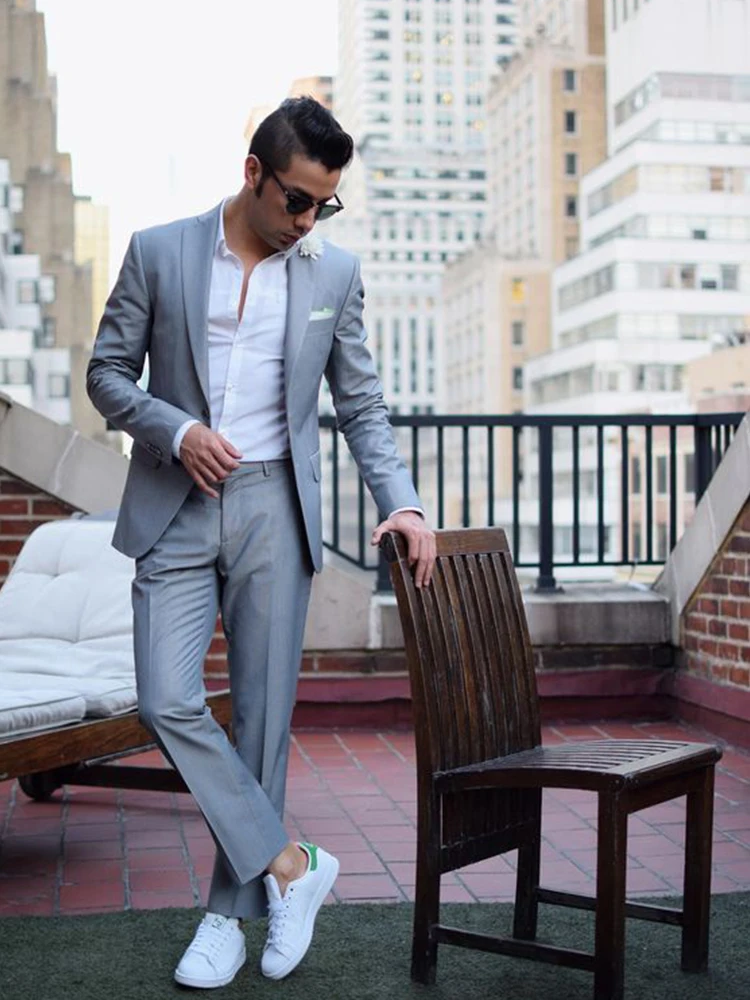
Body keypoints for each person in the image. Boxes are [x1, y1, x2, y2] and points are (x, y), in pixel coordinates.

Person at [87, 97, 436, 989]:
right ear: (254, 174)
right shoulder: (159, 251)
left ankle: (227, 920)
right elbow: (107, 374)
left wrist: (403, 504)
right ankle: (291, 865)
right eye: (298, 201)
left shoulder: (333, 273)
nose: (309, 221)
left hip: (276, 507)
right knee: (166, 700)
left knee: (263, 723)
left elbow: (361, 403)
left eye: (326, 205)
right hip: (175, 501)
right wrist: (175, 430)